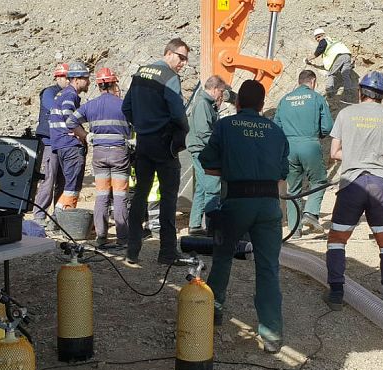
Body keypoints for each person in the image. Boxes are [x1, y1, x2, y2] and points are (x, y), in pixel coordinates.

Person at [199, 80, 290, 354]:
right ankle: (271, 335)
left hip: (236, 203)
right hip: (269, 206)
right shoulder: (276, 131)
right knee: (268, 267)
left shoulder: (225, 126)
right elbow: (282, 173)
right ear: (262, 106)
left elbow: (207, 163)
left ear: (237, 103)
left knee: (223, 257)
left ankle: (213, 312)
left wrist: (232, 168)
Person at [324, 71, 383, 311]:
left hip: (351, 185)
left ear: (360, 92)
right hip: (380, 185)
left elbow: (334, 153)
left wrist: (356, 155)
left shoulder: (345, 114)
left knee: (337, 240)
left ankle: (336, 292)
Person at [122, 38, 190, 265]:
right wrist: (182, 131)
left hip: (143, 143)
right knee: (168, 198)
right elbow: (178, 113)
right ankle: (167, 252)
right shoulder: (169, 77)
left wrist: (142, 126)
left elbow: (126, 107)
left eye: (186, 60)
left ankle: (132, 250)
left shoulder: (140, 74)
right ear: (168, 53)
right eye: (181, 57)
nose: (183, 63)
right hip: (164, 144)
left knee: (140, 195)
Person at [66, 67, 131, 249]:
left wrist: (86, 136)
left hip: (99, 154)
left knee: (102, 195)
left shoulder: (91, 105)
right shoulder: (123, 105)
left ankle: (101, 237)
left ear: (99, 85)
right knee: (120, 196)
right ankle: (122, 238)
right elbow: (138, 124)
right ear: (114, 83)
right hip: (119, 154)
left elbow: (70, 121)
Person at [273, 69, 333, 238]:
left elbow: (276, 126)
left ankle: (294, 231)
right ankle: (311, 213)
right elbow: (327, 126)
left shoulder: (284, 100)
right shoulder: (316, 98)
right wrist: (318, 135)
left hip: (289, 148)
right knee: (319, 180)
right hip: (309, 144)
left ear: (299, 81)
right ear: (312, 82)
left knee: (293, 189)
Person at [187, 75, 228, 236]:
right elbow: (204, 132)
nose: (222, 95)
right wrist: (220, 146)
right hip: (202, 150)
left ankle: (195, 224)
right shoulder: (203, 104)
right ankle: (212, 227)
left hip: (200, 148)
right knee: (212, 187)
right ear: (215, 89)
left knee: (201, 188)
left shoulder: (206, 103)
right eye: (221, 91)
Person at [50, 61, 91, 210]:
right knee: (72, 187)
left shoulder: (62, 94)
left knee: (67, 186)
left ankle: (57, 216)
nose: (88, 82)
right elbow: (69, 119)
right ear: (76, 79)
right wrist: (85, 136)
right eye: (86, 78)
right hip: (70, 145)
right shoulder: (70, 95)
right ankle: (66, 217)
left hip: (61, 144)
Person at [33, 63, 69, 227]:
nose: (68, 81)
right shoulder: (49, 92)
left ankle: (57, 217)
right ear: (58, 77)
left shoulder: (68, 94)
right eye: (66, 77)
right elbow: (55, 108)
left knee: (62, 181)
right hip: (49, 143)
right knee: (49, 179)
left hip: (64, 143)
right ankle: (39, 216)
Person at [305, 28, 355, 100]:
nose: (318, 39)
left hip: (338, 57)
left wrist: (307, 59)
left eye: (318, 37)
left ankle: (329, 93)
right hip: (347, 55)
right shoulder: (333, 40)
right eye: (316, 38)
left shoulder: (323, 41)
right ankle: (349, 92)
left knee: (331, 74)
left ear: (323, 35)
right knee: (345, 75)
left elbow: (317, 53)